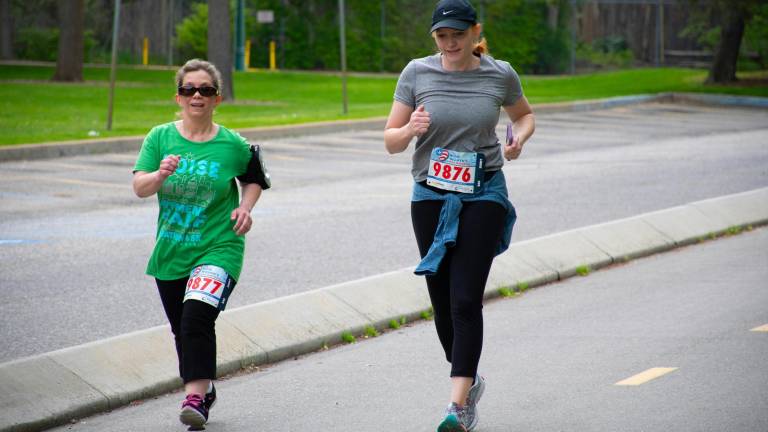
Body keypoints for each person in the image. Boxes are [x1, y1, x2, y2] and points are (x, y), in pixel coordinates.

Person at [384, 1, 535, 431]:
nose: (449, 43)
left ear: (475, 33)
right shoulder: (417, 73)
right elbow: (390, 141)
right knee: (441, 301)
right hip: (430, 194)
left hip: (484, 190)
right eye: (441, 36)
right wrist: (410, 130)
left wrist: (517, 139)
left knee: (465, 297)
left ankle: (457, 405)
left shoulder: (499, 74)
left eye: (457, 35)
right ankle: (469, 380)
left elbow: (524, 115)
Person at [132, 59, 270, 429]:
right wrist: (159, 174)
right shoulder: (159, 138)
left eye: (205, 90)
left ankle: (194, 398)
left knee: (196, 318)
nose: (197, 96)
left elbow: (254, 177)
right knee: (182, 328)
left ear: (217, 98)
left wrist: (244, 207)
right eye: (189, 89)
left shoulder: (232, 144)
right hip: (172, 249)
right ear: (178, 97)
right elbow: (139, 187)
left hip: (219, 247)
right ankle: (204, 388)